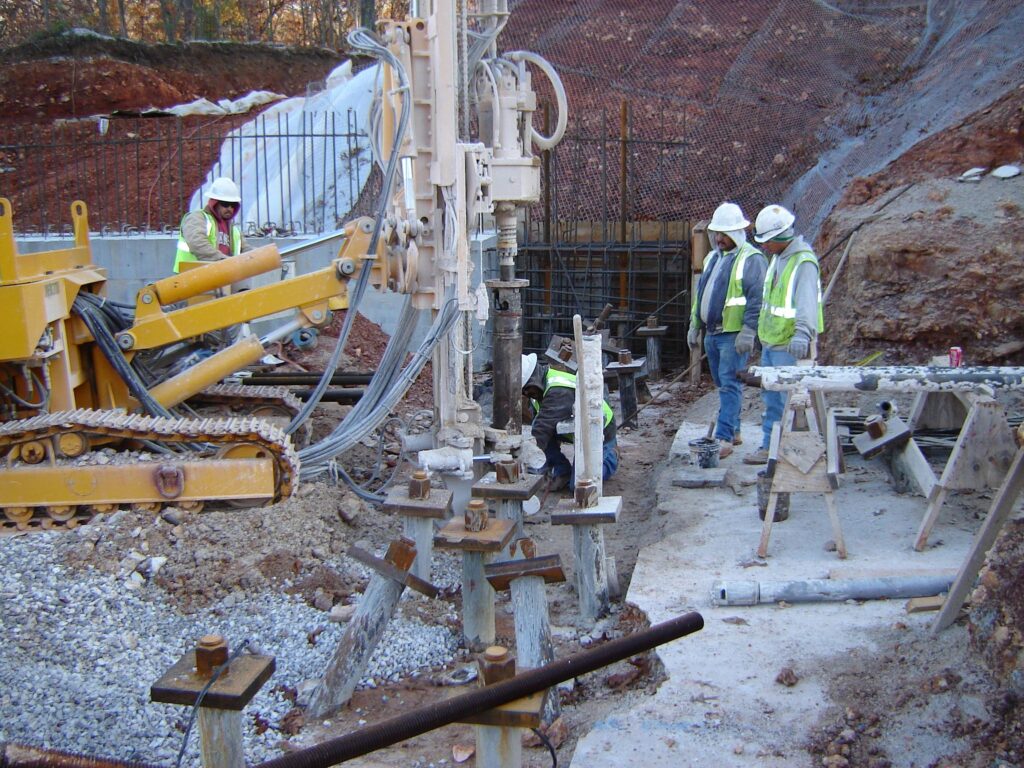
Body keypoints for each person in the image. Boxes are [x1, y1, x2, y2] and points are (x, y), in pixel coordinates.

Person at [743, 204, 824, 465]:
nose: (764, 246)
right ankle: (772, 446)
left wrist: (802, 334)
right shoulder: (778, 259)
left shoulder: (803, 263)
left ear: (780, 238)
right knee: (772, 398)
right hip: (773, 342)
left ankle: (784, 451)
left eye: (767, 241)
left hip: (790, 346)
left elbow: (806, 303)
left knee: (789, 401)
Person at [687, 202, 767, 460]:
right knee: (722, 383)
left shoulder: (751, 260)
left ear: (736, 233)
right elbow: (701, 297)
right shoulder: (712, 258)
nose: (719, 239)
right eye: (717, 234)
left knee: (729, 384)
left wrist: (748, 331)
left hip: (732, 334)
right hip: (712, 333)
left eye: (724, 234)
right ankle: (735, 429)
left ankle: (724, 438)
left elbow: (757, 298)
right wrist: (695, 325)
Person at [521, 352, 618, 491]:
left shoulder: (557, 390)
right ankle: (562, 471)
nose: (525, 394)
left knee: (579, 486)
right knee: (539, 428)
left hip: (599, 431)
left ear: (533, 380)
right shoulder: (539, 388)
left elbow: (542, 429)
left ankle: (610, 457)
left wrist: (527, 461)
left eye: (526, 390)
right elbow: (539, 426)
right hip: (574, 428)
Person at [173, 176, 252, 274]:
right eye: (225, 203)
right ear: (214, 203)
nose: (230, 208)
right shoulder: (197, 218)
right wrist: (225, 261)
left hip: (220, 278)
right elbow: (198, 243)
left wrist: (266, 254)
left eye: (233, 205)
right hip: (190, 278)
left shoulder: (234, 230)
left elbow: (246, 250)